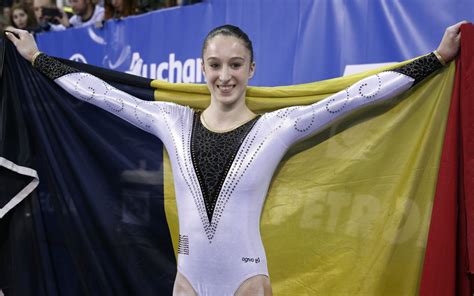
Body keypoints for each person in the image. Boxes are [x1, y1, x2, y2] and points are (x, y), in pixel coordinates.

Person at [5, 21, 465, 295]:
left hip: (248, 283)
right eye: (216, 65)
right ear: (202, 67)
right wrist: (38, 58)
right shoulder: (172, 121)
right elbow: (101, 95)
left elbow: (353, 98)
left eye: (235, 64)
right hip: (187, 282)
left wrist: (436, 59)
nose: (225, 76)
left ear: (252, 69)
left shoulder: (276, 127)